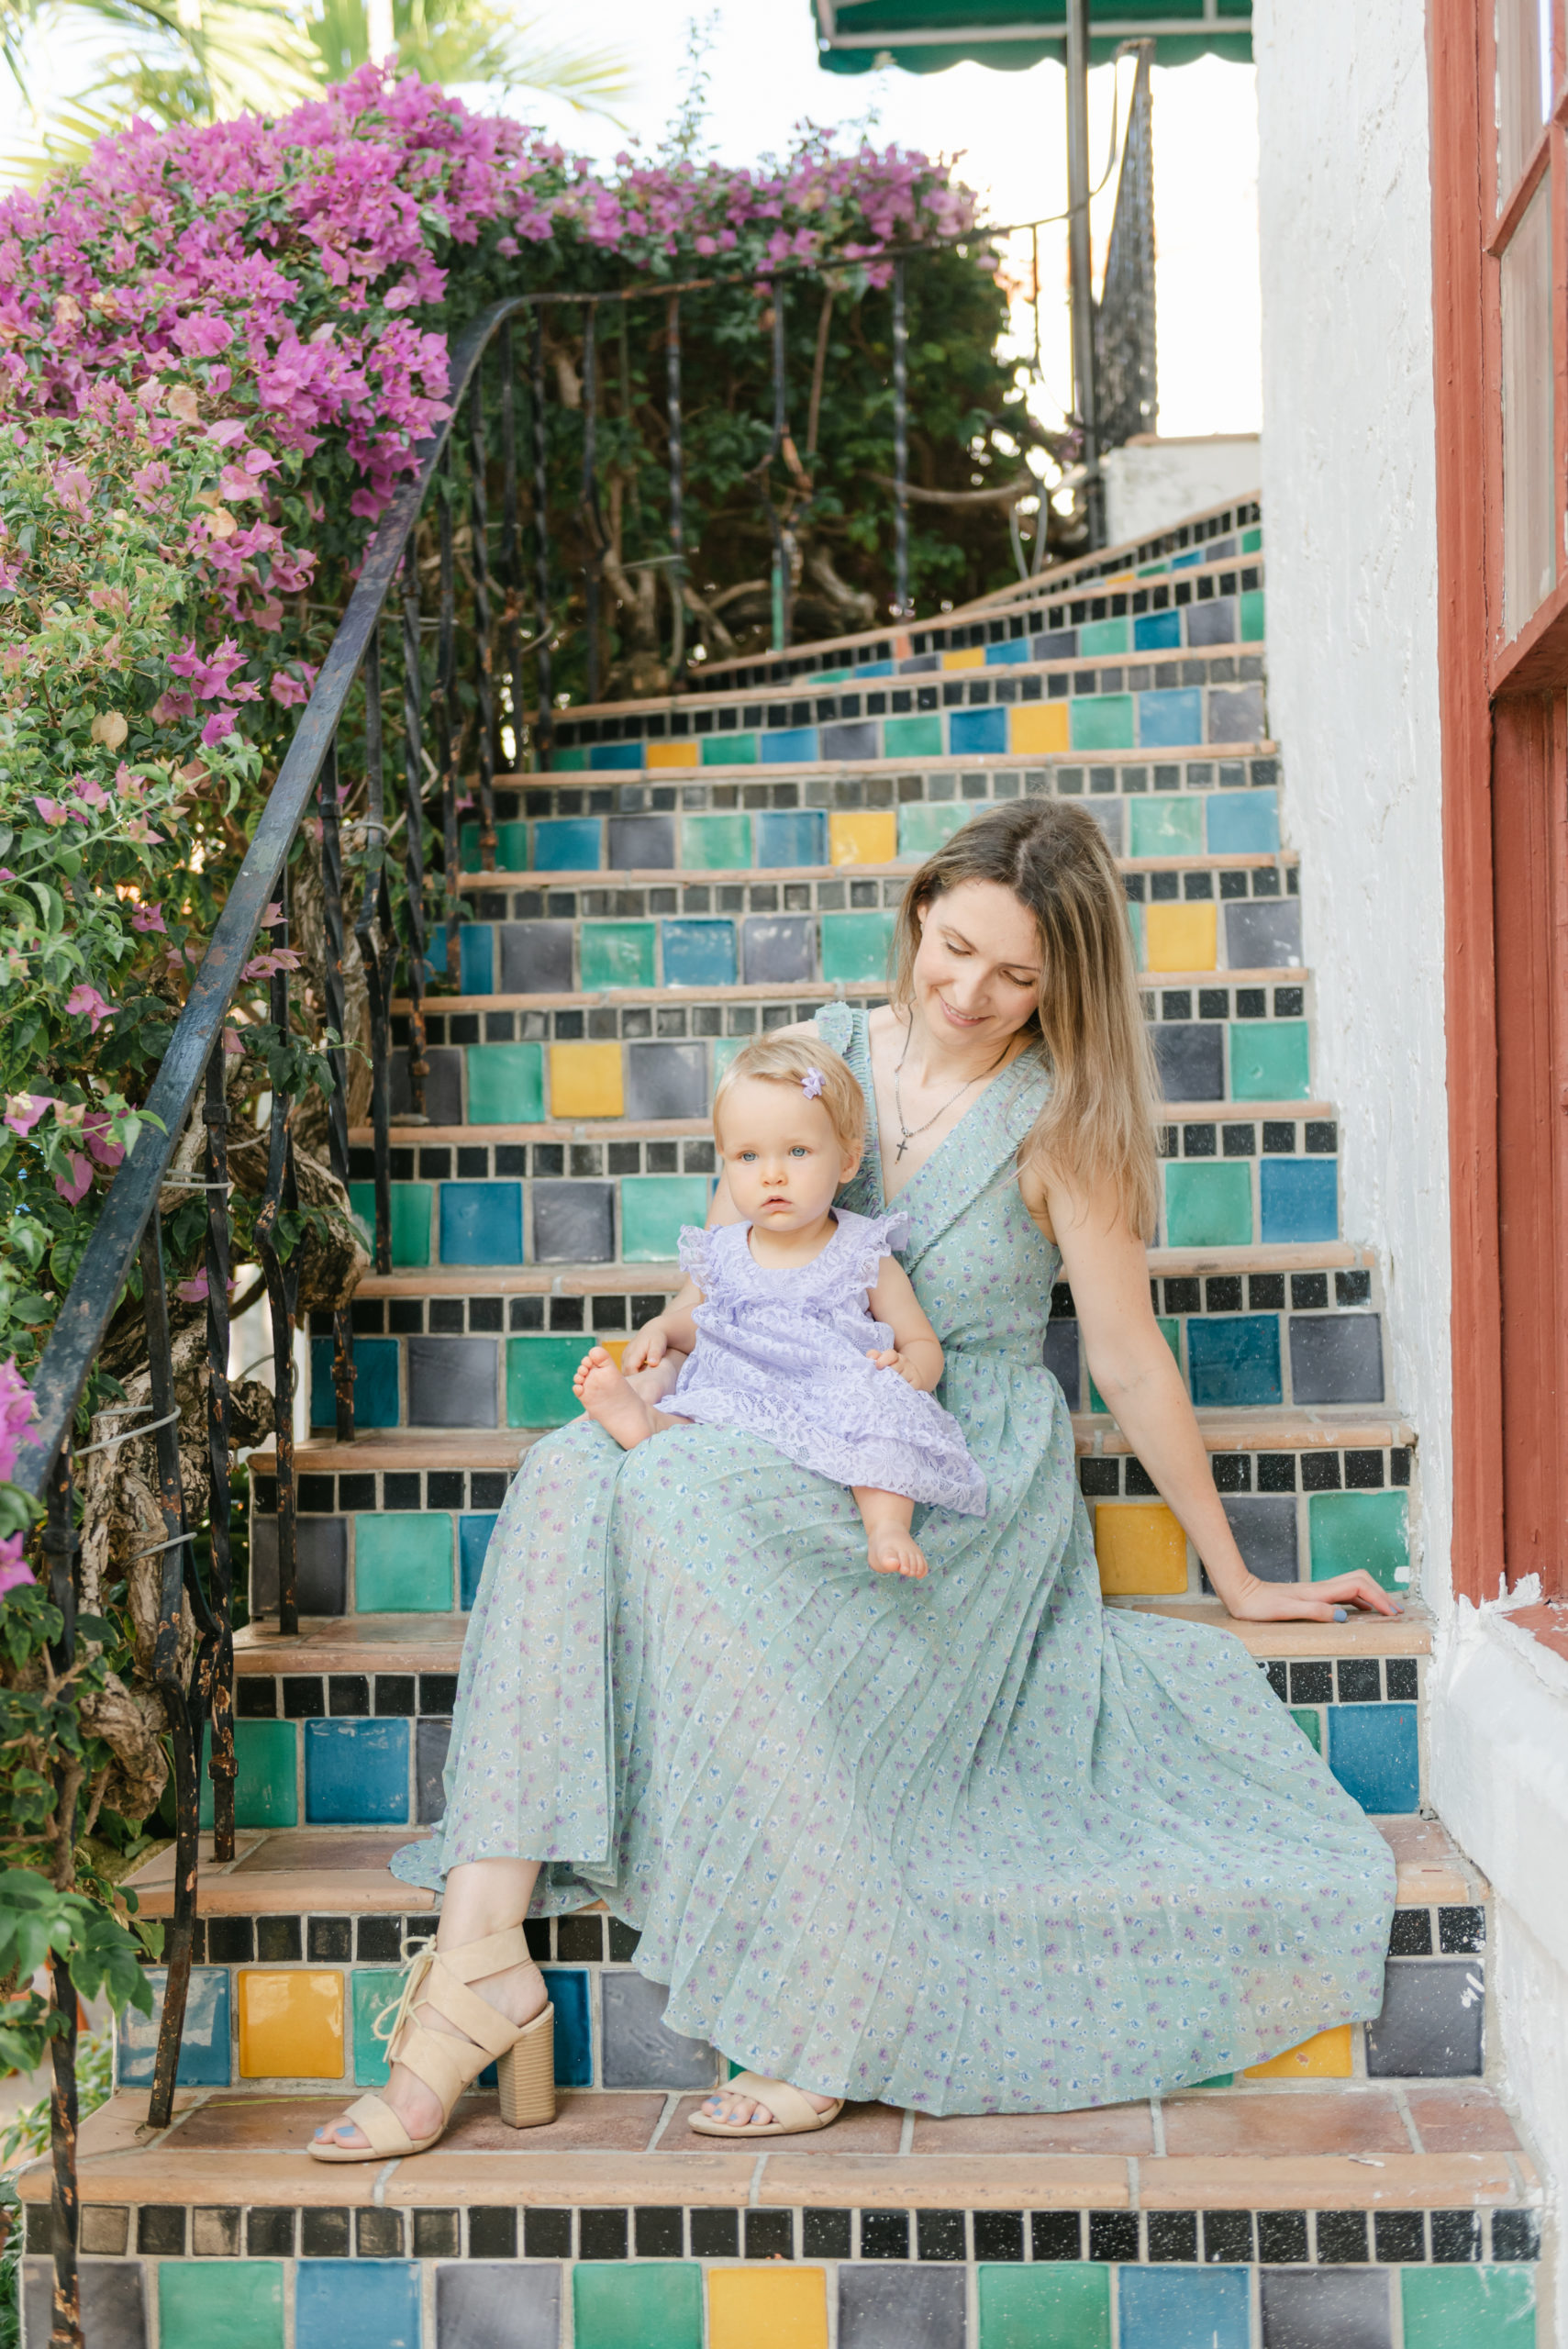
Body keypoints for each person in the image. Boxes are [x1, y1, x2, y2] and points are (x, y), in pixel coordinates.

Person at [308, 797, 1397, 2160]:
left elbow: (1125, 1360)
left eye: (1016, 975)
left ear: (1065, 983)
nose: (969, 994)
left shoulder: (1062, 1117)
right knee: (571, 1471)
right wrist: (664, 1342)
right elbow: (731, 1255)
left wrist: (1235, 1569)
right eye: (952, 949)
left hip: (934, 1458)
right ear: (915, 917)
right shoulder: (820, 1053)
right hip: (770, 1409)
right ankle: (477, 1961)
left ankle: (813, 1984)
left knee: (665, 1493)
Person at [570, 1030, 986, 1581]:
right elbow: (708, 1323)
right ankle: (645, 1417)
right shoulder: (722, 1250)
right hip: (747, 1384)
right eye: (748, 1156)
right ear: (726, 1162)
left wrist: (912, 1369)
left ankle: (886, 1524)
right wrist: (663, 1327)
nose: (772, 1174)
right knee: (690, 1386)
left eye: (797, 1151)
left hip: (833, 1391)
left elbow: (919, 1340)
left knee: (887, 1418)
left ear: (846, 1160)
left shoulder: (862, 1250)